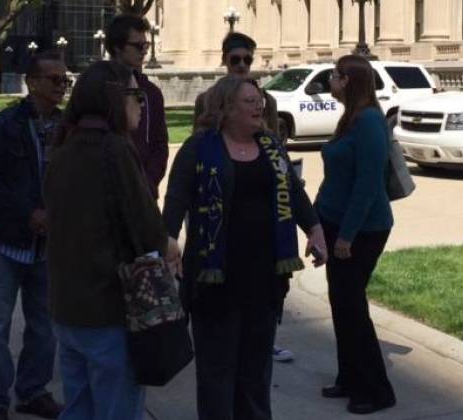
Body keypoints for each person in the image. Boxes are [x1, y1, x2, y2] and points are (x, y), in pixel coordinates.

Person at [163, 75, 326, 420]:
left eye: (260, 99)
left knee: (255, 370)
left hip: (264, 278)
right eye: (250, 101)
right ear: (226, 108)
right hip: (215, 278)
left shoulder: (271, 145)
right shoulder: (200, 147)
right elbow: (176, 197)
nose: (260, 106)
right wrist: (169, 240)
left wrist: (314, 228)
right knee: (216, 372)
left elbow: (294, 193)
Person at [44, 60, 177, 420]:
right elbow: (147, 228)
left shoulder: (64, 146)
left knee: (79, 408)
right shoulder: (114, 149)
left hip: (67, 308)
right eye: (136, 95)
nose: (142, 103)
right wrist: (171, 245)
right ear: (115, 98)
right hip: (106, 310)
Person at [0, 51, 66, 420]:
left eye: (65, 80)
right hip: (3, 242)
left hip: (47, 248)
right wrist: (29, 214)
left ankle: (32, 391)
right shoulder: (4, 124)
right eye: (54, 79)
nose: (62, 86)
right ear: (32, 82)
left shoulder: (67, 128)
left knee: (45, 327)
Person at [194, 31, 292, 363]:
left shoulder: (267, 101)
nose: (241, 65)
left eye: (247, 60)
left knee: (267, 284)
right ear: (225, 60)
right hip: (218, 202)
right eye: (235, 59)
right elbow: (198, 149)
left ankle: (267, 336)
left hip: (261, 207)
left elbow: (276, 151)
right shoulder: (208, 98)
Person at [314, 54, 396, 415]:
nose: (330, 81)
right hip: (335, 225)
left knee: (352, 309)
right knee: (342, 306)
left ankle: (375, 390)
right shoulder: (349, 119)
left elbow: (367, 185)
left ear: (348, 80)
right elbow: (337, 179)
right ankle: (349, 378)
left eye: (334, 75)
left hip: (362, 229)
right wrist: (319, 229)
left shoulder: (369, 122)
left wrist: (346, 236)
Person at [105, 14, 169, 198]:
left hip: (144, 194)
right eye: (138, 46)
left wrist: (147, 182)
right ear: (117, 47)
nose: (144, 51)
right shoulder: (96, 87)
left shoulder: (152, 93)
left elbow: (160, 144)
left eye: (146, 45)